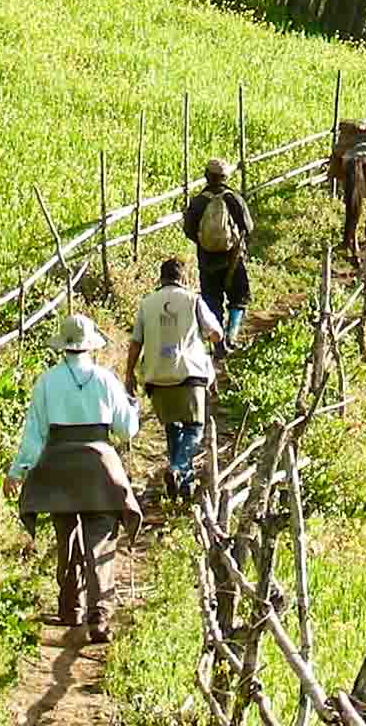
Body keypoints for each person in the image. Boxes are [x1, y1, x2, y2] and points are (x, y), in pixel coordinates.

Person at [5, 313, 143, 642]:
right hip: (99, 468)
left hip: (58, 468)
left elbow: (34, 437)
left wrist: (16, 471)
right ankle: (100, 616)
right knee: (100, 540)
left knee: (66, 536)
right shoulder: (106, 380)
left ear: (62, 346)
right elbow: (126, 430)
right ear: (91, 345)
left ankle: (71, 607)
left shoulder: (46, 382)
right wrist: (131, 410)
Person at [127, 258, 223, 498]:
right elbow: (216, 333)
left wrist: (129, 374)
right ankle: (178, 467)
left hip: (156, 376)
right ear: (184, 277)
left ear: (161, 278)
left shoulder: (146, 303)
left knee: (173, 428)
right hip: (188, 374)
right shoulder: (193, 299)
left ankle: (183, 485)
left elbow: (136, 342)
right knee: (195, 427)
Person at [183, 158, 254, 346]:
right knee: (238, 298)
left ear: (207, 176)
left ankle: (218, 343)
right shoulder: (233, 198)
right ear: (225, 177)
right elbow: (248, 226)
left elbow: (189, 230)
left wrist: (204, 242)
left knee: (212, 299)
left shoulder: (198, 201)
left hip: (207, 259)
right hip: (233, 258)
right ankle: (231, 335)